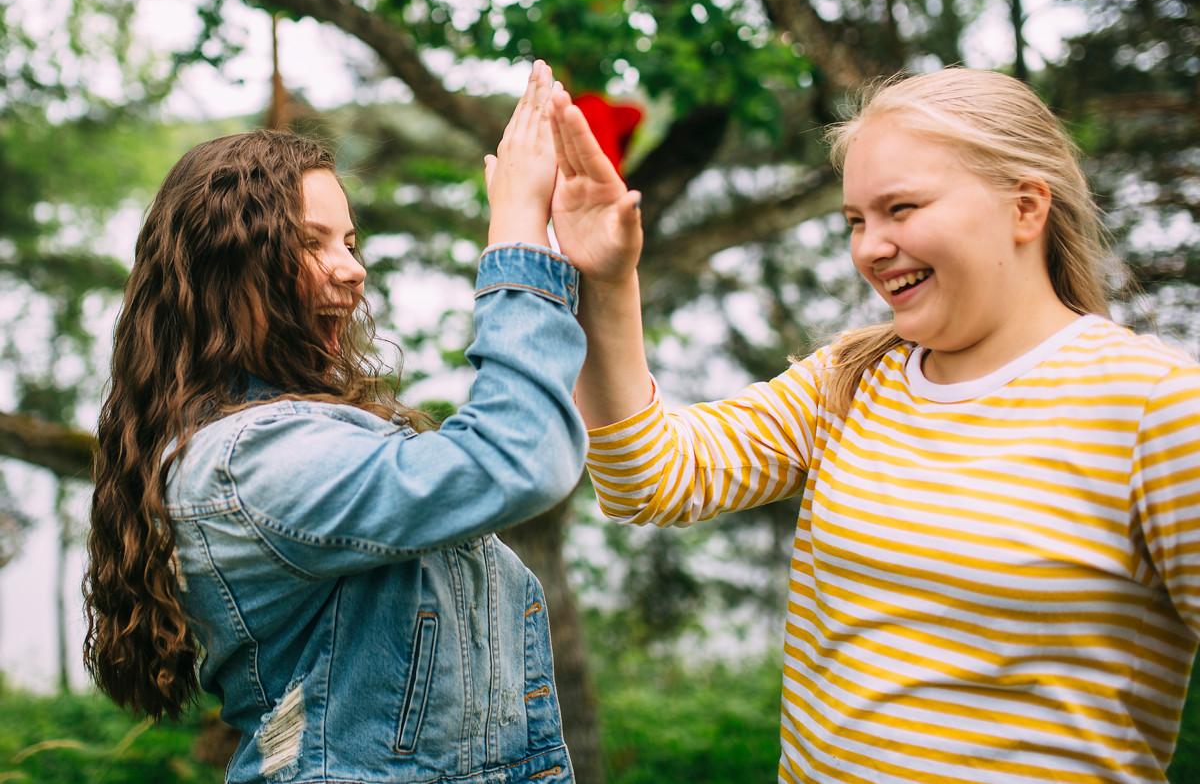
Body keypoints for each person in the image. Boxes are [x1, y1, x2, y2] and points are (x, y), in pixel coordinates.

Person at [546, 67, 1200, 783]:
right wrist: (607, 283)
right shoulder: (848, 382)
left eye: (902, 208)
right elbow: (649, 480)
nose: (870, 248)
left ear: (1025, 207)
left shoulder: (1154, 407)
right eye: (857, 220)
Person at [83, 61, 584, 784]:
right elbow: (516, 460)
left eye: (349, 242)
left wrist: (599, 265)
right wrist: (516, 234)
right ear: (230, 269)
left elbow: (539, 445)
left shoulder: (309, 433)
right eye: (311, 242)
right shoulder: (249, 461)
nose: (352, 269)